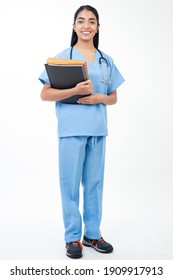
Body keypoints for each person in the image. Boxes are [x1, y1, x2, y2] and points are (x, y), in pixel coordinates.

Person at [38, 5, 125, 259]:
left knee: (95, 185)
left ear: (98, 27)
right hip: (70, 130)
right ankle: (72, 237)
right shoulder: (62, 58)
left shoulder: (105, 59)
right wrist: (75, 90)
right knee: (70, 186)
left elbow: (113, 98)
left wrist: (98, 96)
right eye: (81, 21)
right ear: (74, 26)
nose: (86, 25)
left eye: (92, 21)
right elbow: (45, 94)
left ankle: (93, 234)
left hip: (98, 130)